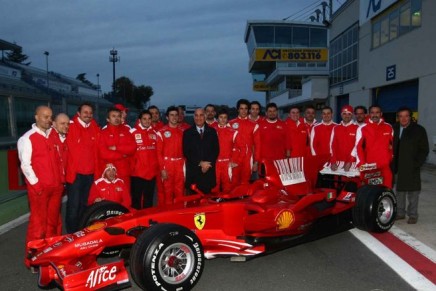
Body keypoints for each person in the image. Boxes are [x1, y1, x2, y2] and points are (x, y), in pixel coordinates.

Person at [18, 106, 64, 267]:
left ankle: (51, 255)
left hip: (56, 187)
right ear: (36, 117)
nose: (48, 120)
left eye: (50, 117)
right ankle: (33, 260)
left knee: (53, 223)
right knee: (38, 226)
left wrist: (61, 180)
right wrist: (37, 185)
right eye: (45, 117)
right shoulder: (27, 139)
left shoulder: (53, 135)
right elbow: (25, 165)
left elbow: (60, 157)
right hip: (39, 190)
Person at [65, 102, 100, 234]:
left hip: (90, 174)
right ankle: (71, 235)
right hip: (75, 175)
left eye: (90, 113)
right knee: (73, 206)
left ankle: (81, 232)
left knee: (85, 205)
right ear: (78, 113)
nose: (88, 115)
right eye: (85, 112)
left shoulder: (95, 127)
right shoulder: (70, 126)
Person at [392, 107, 429, 224]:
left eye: (406, 116)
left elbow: (424, 150)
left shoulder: (419, 130)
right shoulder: (394, 128)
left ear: (411, 117)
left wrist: (417, 164)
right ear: (398, 117)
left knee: (413, 193)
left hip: (411, 166)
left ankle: (413, 215)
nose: (403, 118)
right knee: (399, 192)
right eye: (401, 116)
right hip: (397, 166)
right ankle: (400, 213)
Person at [99, 107, 136, 206]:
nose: (117, 119)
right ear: (107, 119)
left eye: (119, 116)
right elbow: (104, 153)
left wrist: (116, 147)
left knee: (125, 199)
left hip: (124, 171)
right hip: (109, 171)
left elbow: (132, 148)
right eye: (113, 116)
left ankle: (127, 220)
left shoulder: (126, 131)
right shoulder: (103, 133)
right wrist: (123, 155)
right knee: (110, 199)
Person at [353, 105, 394, 188]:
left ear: (381, 113)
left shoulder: (388, 127)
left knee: (386, 190)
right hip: (370, 168)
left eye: (377, 112)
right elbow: (358, 148)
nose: (375, 115)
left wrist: (389, 159)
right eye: (372, 112)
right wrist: (363, 165)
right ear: (369, 114)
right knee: (370, 192)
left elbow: (391, 146)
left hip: (384, 167)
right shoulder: (362, 128)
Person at [183, 108, 219, 194]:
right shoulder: (187, 133)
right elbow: (187, 152)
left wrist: (206, 165)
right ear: (193, 117)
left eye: (201, 115)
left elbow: (216, 150)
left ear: (205, 116)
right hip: (193, 173)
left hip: (208, 172)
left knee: (207, 202)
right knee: (193, 203)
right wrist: (200, 163)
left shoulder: (212, 131)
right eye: (196, 115)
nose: (198, 118)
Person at [130, 110, 159, 209]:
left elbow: (157, 153)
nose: (147, 121)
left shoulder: (155, 133)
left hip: (151, 173)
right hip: (137, 173)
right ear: (139, 120)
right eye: (144, 119)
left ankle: (148, 222)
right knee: (136, 200)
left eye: (149, 119)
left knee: (149, 200)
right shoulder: (132, 132)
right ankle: (136, 222)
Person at [156, 106, 185, 204]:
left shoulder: (183, 132)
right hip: (167, 164)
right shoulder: (161, 132)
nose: (174, 117)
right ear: (167, 117)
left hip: (180, 164)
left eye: (176, 115)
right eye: (171, 115)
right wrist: (162, 169)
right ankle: (168, 215)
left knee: (180, 192)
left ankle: (179, 215)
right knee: (167, 192)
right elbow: (158, 153)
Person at [229, 99, 261, 184]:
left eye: (246, 108)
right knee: (233, 182)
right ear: (238, 109)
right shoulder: (230, 124)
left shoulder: (254, 125)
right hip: (234, 158)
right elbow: (227, 144)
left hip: (248, 158)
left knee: (245, 183)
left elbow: (258, 145)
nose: (243, 111)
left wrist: (256, 162)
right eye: (241, 108)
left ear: (248, 110)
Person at [49, 112, 70, 235]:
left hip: (60, 183)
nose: (66, 126)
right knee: (49, 218)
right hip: (50, 184)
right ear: (54, 124)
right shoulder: (49, 138)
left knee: (56, 215)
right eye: (62, 123)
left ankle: (56, 240)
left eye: (67, 124)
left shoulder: (66, 138)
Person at [213, 109, 241, 192]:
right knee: (214, 187)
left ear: (227, 119)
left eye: (225, 117)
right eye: (221, 117)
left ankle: (227, 204)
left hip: (227, 164)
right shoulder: (211, 131)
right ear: (217, 118)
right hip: (215, 163)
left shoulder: (233, 132)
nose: (222, 119)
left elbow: (240, 148)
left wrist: (235, 161)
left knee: (228, 188)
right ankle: (214, 204)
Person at [310, 106, 337, 182]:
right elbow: (313, 146)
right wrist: (318, 161)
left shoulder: (337, 127)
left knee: (333, 184)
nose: (326, 115)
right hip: (321, 162)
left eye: (328, 113)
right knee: (321, 184)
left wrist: (334, 160)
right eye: (324, 114)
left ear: (332, 114)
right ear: (321, 115)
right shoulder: (315, 128)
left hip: (333, 162)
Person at [330, 105, 359, 172]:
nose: (346, 116)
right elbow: (332, 145)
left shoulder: (357, 128)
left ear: (352, 115)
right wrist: (333, 161)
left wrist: (350, 161)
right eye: (344, 113)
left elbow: (357, 146)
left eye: (349, 114)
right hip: (338, 163)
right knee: (338, 182)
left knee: (351, 182)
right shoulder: (336, 128)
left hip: (352, 163)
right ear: (341, 115)